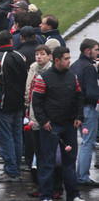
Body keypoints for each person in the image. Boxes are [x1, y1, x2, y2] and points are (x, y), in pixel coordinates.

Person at [32, 46, 84, 201]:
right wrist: (43, 121)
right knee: (47, 163)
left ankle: (73, 195)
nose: (69, 61)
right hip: (51, 126)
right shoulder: (44, 78)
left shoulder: (72, 76)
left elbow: (79, 97)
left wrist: (79, 116)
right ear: (57, 60)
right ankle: (46, 195)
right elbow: (37, 102)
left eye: (69, 58)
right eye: (66, 59)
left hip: (69, 125)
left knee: (69, 162)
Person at [0, 30, 29, 183]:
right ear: (11, 41)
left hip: (4, 104)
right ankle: (16, 166)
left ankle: (11, 170)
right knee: (17, 135)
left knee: (6, 136)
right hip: (19, 103)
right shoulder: (20, 56)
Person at [69, 38, 99, 187]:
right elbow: (92, 92)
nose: (98, 52)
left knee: (82, 142)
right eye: (96, 50)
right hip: (88, 108)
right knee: (88, 143)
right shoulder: (89, 68)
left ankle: (78, 174)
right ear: (88, 51)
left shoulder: (75, 65)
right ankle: (83, 176)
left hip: (75, 108)